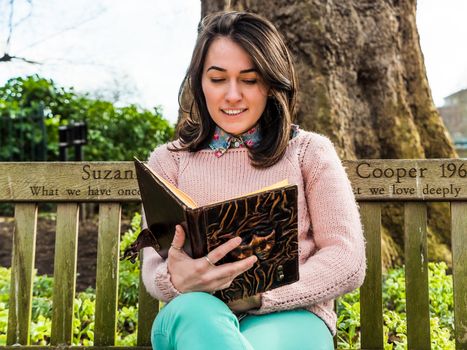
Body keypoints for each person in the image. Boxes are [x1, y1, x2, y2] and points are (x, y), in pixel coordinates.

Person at [141, 10, 366, 350]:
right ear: (200, 83)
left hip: (293, 316)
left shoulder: (308, 153)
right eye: (218, 79)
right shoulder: (168, 162)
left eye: (249, 80)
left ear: (272, 83)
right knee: (196, 313)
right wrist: (176, 280)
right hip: (193, 313)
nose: (233, 95)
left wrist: (261, 297)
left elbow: (346, 259)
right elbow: (155, 266)